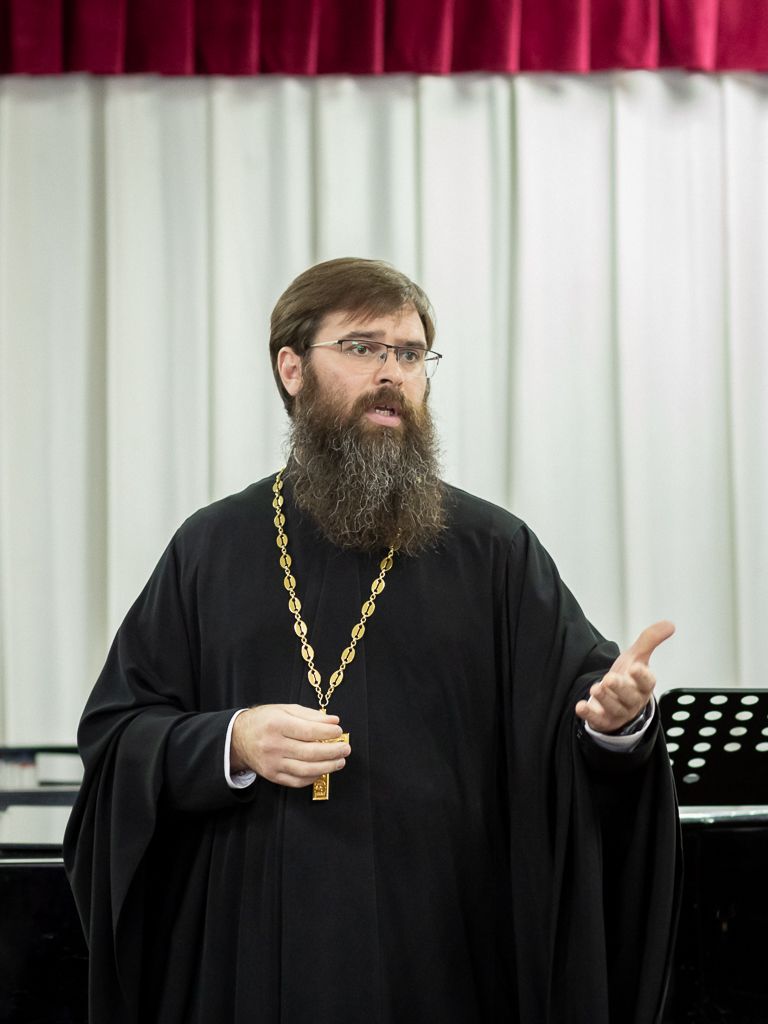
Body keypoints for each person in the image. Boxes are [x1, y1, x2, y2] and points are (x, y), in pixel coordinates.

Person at [64, 257, 680, 1024]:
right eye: (362, 348)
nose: (392, 373)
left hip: (447, 956)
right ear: (291, 369)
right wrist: (232, 741)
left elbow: (575, 723)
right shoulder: (212, 548)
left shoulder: (494, 551)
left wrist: (617, 724)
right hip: (254, 957)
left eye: (411, 354)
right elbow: (119, 737)